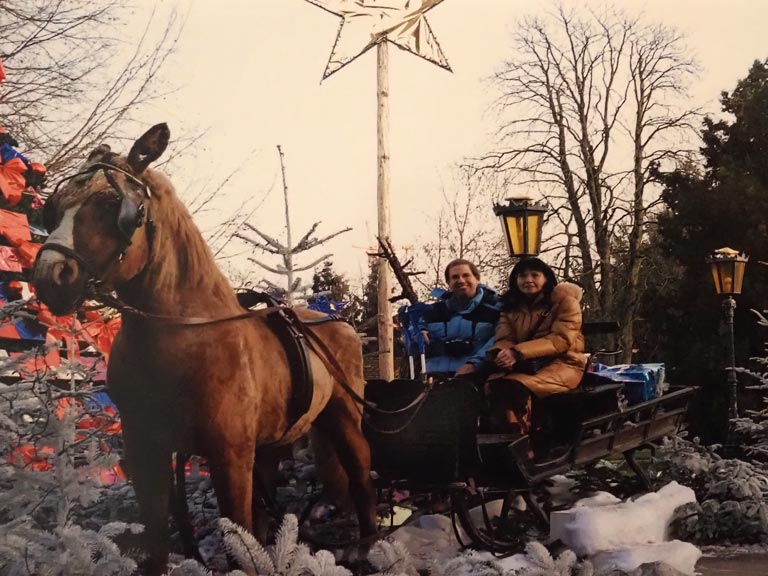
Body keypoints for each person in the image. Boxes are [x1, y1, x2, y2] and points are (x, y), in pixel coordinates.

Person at [485, 257, 586, 435]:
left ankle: (522, 444)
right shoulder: (511, 307)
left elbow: (560, 339)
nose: (528, 280)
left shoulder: (565, 301)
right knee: (490, 385)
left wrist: (517, 353)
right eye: (522, 276)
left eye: (534, 275)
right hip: (526, 365)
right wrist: (501, 354)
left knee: (513, 387)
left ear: (546, 278)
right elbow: (504, 337)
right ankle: (501, 440)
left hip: (563, 363)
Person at [417, 259, 501, 378]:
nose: (461, 280)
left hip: (477, 374)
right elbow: (412, 333)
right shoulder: (433, 311)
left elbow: (498, 341)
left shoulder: (495, 309)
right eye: (455, 277)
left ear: (477, 278)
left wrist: (474, 364)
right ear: (448, 282)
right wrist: (418, 332)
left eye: (466, 275)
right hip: (435, 374)